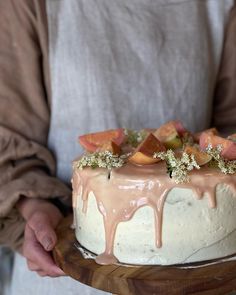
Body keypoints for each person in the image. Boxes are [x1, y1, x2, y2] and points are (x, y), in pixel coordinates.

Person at [0, 0, 236, 294]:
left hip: (201, 275)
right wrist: (35, 206)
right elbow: (10, 140)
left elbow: (228, 129)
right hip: (68, 276)